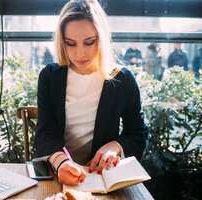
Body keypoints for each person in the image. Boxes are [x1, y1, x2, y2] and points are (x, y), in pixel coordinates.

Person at [34, 0, 148, 186]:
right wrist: (61, 163)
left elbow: (137, 133)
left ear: (101, 38)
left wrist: (115, 147)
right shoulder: (49, 77)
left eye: (89, 42)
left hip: (101, 176)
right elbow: (45, 133)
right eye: (70, 44)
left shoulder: (122, 80)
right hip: (55, 172)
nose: (80, 54)